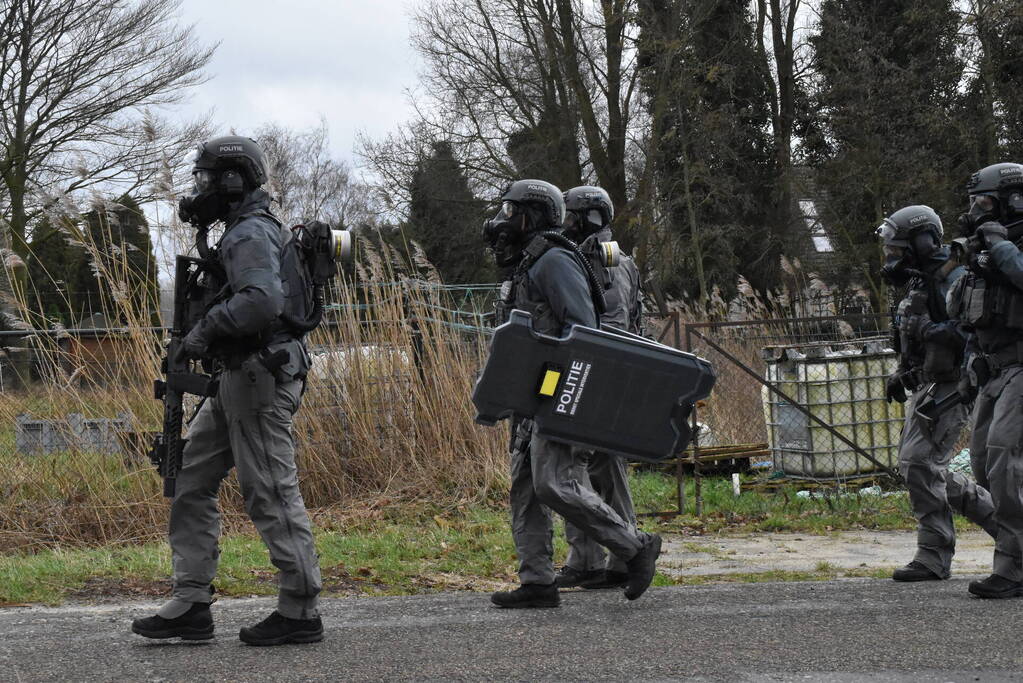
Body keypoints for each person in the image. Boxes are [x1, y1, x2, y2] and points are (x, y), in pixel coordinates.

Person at [131, 136, 324, 643]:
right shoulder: (240, 230)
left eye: (207, 179)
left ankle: (300, 611)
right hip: (236, 378)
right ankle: (192, 602)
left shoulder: (249, 234)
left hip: (258, 377)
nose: (200, 190)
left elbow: (261, 301)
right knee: (190, 476)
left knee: (270, 491)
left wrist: (200, 333)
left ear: (233, 181)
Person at [484, 179, 661, 608]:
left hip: (555, 388)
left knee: (554, 482)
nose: (503, 219)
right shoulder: (530, 263)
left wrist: (559, 392)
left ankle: (635, 548)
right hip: (530, 389)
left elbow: (581, 330)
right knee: (525, 486)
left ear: (533, 215)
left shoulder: (554, 261)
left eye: (512, 210)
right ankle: (538, 583)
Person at [877, 205, 997, 583]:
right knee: (922, 467)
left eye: (898, 249)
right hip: (928, 384)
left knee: (920, 464)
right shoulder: (919, 281)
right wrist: (902, 373)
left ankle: (933, 555)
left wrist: (933, 331)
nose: (892, 258)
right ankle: (1007, 526)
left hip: (953, 385)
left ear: (924, 240)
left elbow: (972, 335)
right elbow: (912, 336)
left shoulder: (956, 276)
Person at [554, 185, 643, 591]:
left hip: (598, 372)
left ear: (588, 218)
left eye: (571, 216)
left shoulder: (601, 262)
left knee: (582, 466)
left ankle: (614, 555)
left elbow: (607, 322)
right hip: (611, 372)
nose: (565, 224)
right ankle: (609, 556)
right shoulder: (609, 259)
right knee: (600, 467)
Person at [946, 162, 1023, 598]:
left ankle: (1013, 569)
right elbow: (974, 319)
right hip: (995, 370)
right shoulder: (987, 251)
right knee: (982, 464)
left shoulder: (1009, 248)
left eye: (986, 202)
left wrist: (1000, 246)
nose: (977, 211)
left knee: (1005, 462)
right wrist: (971, 364)